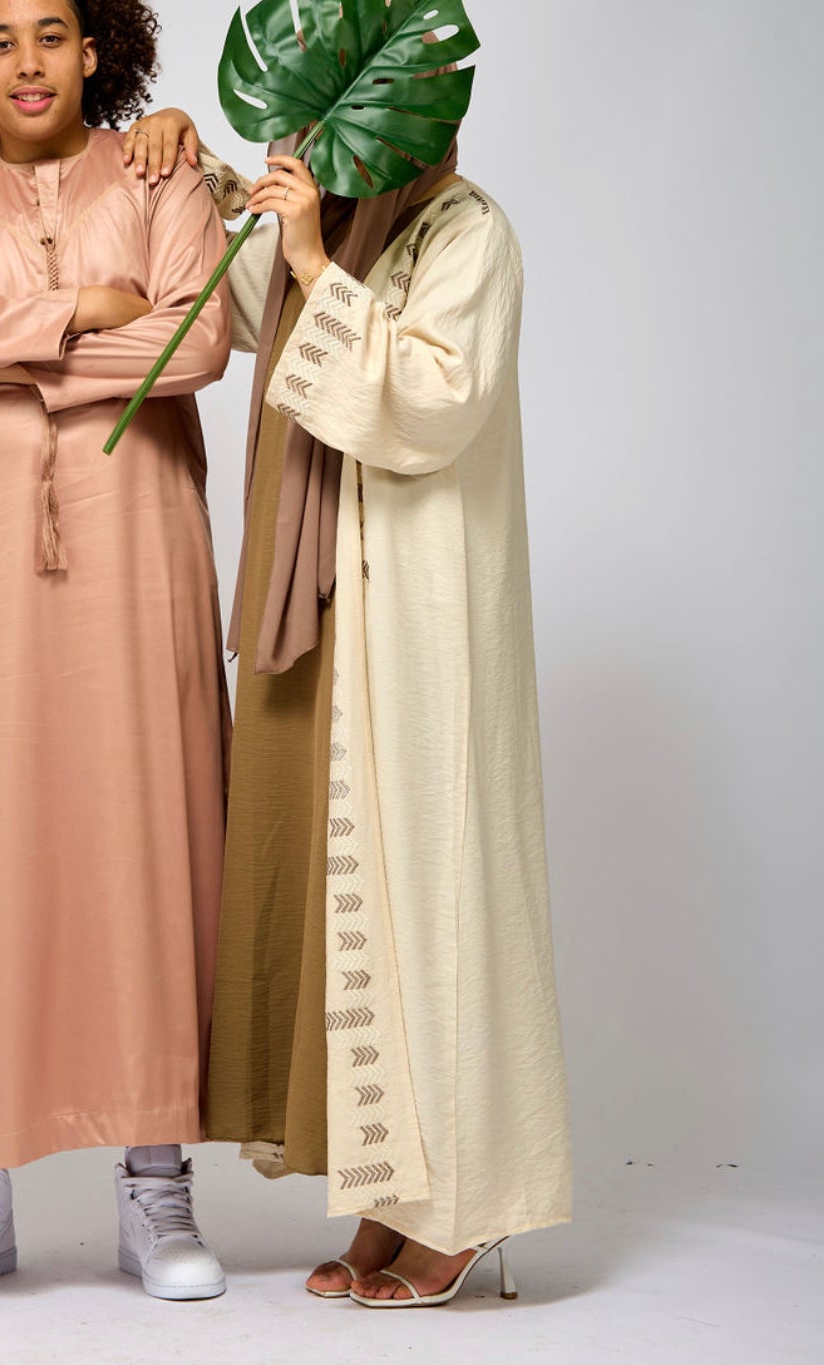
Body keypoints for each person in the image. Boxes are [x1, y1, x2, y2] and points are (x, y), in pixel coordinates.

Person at [125, 101, 572, 1308]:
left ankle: (471, 1197)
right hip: (329, 604)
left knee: (437, 878)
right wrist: (195, 160)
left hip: (421, 615)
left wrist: (319, 262)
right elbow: (243, 283)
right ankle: (396, 1186)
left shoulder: (469, 231)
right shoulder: (352, 220)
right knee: (352, 882)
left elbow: (432, 400)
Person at [0, 0, 232, 1307]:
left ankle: (157, 1187)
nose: (28, 61)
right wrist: (78, 309)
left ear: (95, 50)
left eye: (52, 34)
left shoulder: (161, 173)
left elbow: (196, 343)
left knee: (144, 831)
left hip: (136, 548)